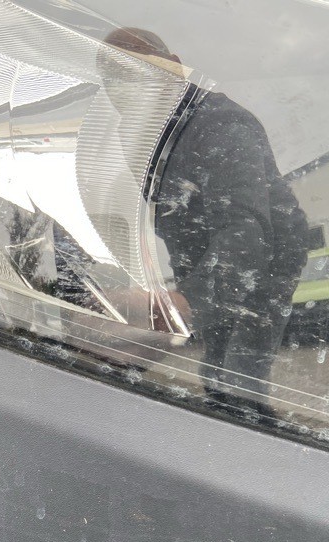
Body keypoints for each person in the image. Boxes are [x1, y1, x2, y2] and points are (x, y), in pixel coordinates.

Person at [104, 28, 310, 418]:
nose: (123, 85)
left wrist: (186, 303)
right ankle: (223, 414)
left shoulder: (220, 124)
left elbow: (246, 227)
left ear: (174, 66)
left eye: (135, 69)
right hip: (201, 253)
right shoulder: (139, 134)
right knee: (215, 364)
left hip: (267, 258)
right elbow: (163, 216)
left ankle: (250, 432)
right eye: (111, 76)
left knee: (241, 373)